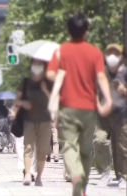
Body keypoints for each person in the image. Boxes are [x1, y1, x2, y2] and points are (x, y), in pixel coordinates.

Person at [46, 13, 112, 196]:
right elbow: (100, 77)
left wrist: (60, 74)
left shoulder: (61, 51)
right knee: (85, 150)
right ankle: (82, 186)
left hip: (67, 107)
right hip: (89, 109)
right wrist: (108, 100)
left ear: (68, 30)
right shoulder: (95, 52)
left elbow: (50, 75)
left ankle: (75, 177)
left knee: (69, 146)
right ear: (86, 32)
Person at [15, 58, 52, 186]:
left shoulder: (48, 82)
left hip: (45, 121)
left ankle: (39, 177)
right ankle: (27, 174)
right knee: (28, 147)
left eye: (39, 64)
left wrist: (45, 89)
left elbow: (55, 100)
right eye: (35, 63)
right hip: (29, 120)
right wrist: (23, 103)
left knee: (42, 150)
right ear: (31, 65)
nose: (37, 66)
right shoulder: (26, 82)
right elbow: (17, 100)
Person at [94, 44, 127, 189]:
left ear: (120, 56)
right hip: (103, 116)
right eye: (110, 53)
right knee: (99, 140)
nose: (112, 56)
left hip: (122, 115)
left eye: (115, 53)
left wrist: (123, 91)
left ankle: (123, 177)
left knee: (121, 148)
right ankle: (105, 174)